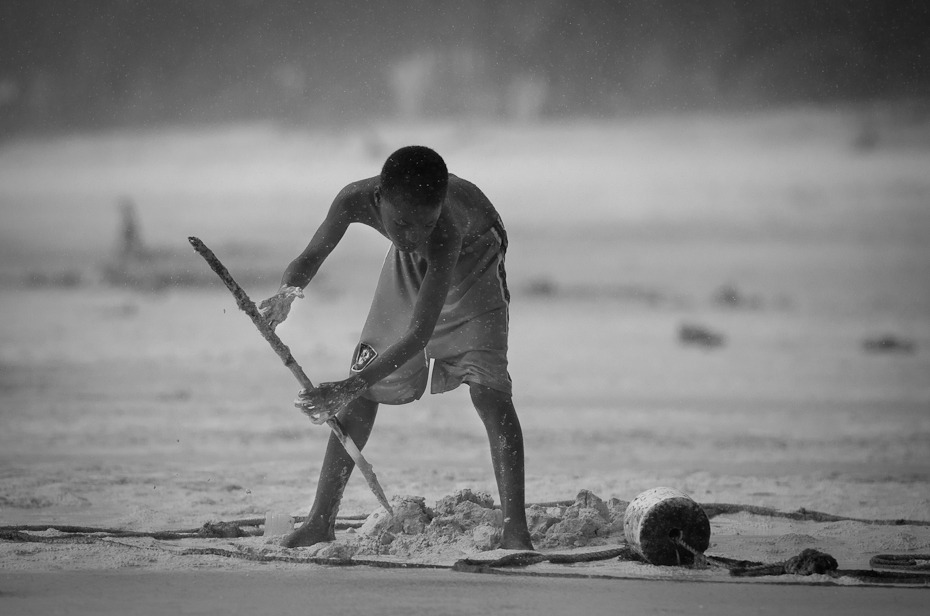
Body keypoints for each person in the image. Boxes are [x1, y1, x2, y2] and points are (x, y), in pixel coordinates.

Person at [259, 145, 534, 550]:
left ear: (437, 212)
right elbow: (312, 255)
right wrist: (286, 293)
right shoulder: (355, 198)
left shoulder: (442, 231)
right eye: (401, 223)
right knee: (363, 392)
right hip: (415, 264)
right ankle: (320, 521)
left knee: (489, 395)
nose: (411, 235)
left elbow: (419, 335)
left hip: (475, 257)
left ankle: (516, 533)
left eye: (424, 224)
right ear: (378, 200)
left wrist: (348, 384)